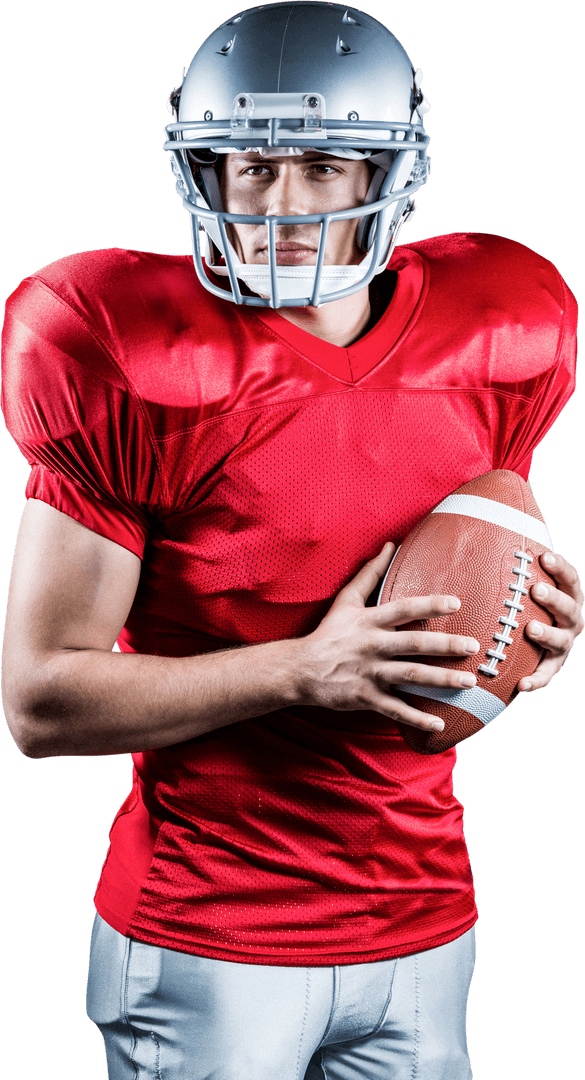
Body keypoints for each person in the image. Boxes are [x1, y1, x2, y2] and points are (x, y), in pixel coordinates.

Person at [1, 4, 582, 1079]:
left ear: (392, 171)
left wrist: (529, 624)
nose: (283, 208)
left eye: (326, 165)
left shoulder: (496, 335)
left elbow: (467, 562)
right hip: (214, 933)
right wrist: (303, 671)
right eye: (250, 168)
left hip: (426, 914)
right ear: (202, 172)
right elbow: (39, 702)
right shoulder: (128, 353)